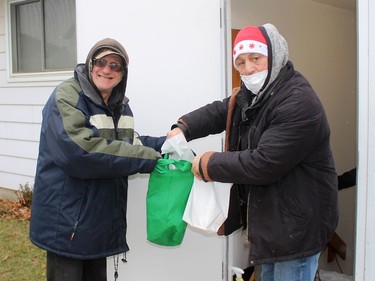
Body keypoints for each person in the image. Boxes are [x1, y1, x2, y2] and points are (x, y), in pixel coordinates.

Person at [167, 23, 338, 281]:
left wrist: (209, 164)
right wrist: (183, 127)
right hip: (273, 228)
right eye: (241, 63)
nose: (248, 70)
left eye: (255, 59)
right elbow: (220, 111)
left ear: (275, 57)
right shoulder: (256, 94)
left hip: (297, 230)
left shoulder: (297, 101)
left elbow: (264, 163)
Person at [29, 38, 165, 281]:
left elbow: (125, 145)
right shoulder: (67, 95)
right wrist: (148, 158)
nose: (107, 69)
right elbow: (81, 152)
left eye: (115, 66)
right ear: (91, 63)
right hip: (68, 223)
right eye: (101, 62)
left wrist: (165, 145)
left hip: (97, 224)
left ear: (123, 73)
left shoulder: (120, 107)